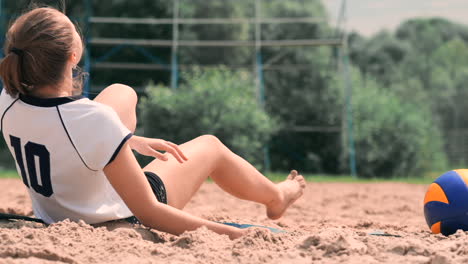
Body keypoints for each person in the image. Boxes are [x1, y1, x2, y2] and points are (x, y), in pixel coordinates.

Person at [0, 6, 306, 240]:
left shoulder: (7, 100)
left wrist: (129, 139)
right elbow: (150, 213)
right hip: (118, 214)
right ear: (73, 55)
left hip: (58, 208)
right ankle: (276, 197)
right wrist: (238, 234)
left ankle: (121, 141)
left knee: (120, 93)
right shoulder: (93, 122)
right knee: (210, 147)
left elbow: (67, 129)